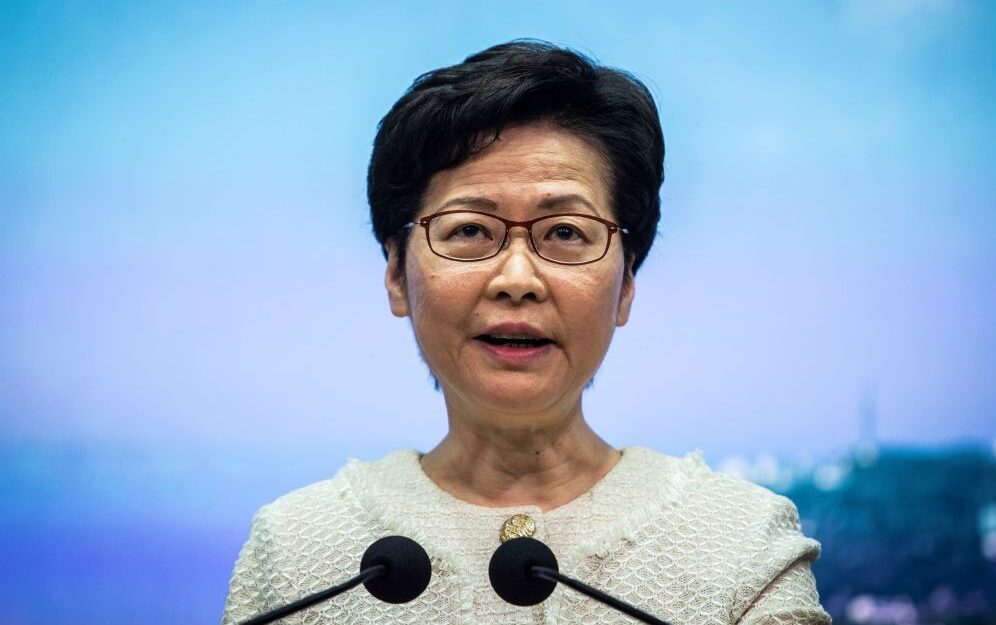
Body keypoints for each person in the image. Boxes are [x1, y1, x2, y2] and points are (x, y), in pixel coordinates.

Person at [222, 40, 830, 624]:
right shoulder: (298, 551)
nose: (517, 279)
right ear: (396, 274)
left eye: (565, 232)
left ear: (626, 284)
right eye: (469, 230)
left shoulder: (741, 544)